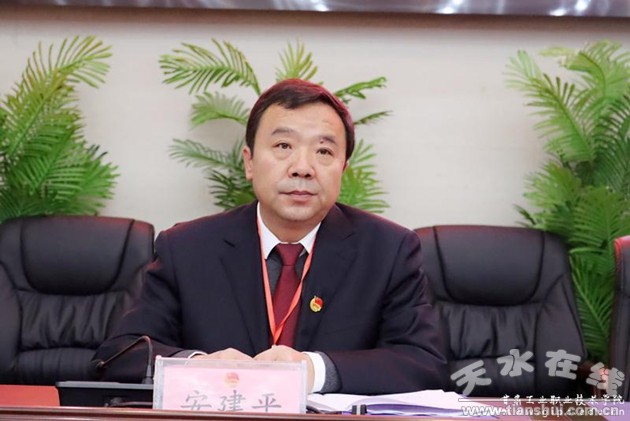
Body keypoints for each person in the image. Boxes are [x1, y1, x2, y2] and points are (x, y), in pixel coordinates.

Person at [93, 78, 447, 394]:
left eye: (324, 151)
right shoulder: (187, 248)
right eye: (283, 146)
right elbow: (120, 355)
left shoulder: (388, 251)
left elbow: (423, 364)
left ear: (343, 169)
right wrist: (197, 365)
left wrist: (314, 371)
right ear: (249, 162)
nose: (302, 168)